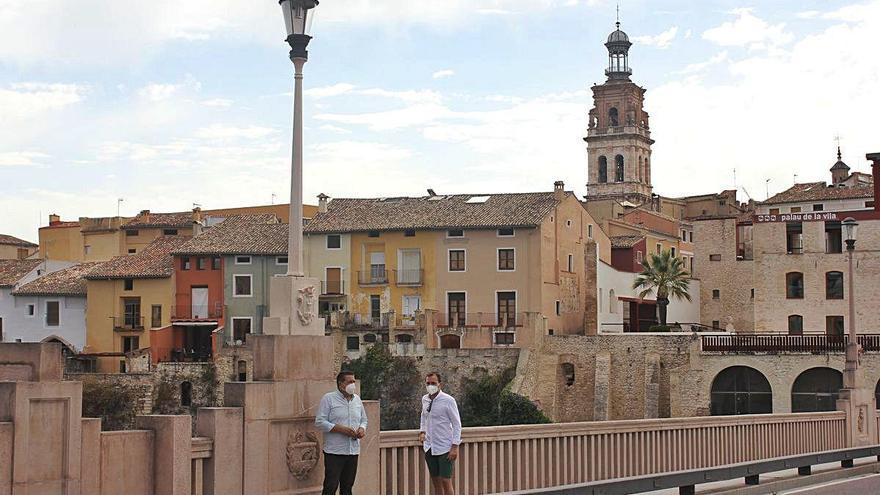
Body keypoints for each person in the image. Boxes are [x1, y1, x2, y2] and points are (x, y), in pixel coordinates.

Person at [315, 371, 368, 495]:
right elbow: (320, 422)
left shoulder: (357, 400)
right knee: (330, 486)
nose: (353, 384)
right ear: (341, 384)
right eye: (350, 382)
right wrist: (340, 429)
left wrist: (362, 429)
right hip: (334, 451)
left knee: (347, 487)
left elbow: (364, 420)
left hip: (353, 450)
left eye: (354, 381)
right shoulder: (329, 399)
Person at [419, 372, 462, 495]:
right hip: (429, 446)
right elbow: (423, 416)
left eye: (433, 383)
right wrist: (422, 431)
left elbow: (457, 424)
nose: (430, 386)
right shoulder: (425, 399)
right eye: (428, 383)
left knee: (445, 481)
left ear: (439, 384)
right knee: (436, 481)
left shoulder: (448, 400)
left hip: (445, 447)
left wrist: (455, 446)